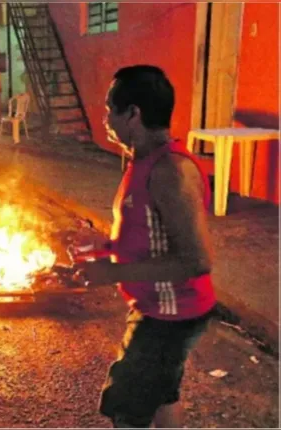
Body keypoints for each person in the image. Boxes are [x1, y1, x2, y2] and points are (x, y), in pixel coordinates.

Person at [71, 65, 217, 428]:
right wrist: (105, 245)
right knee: (162, 395)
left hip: (171, 315)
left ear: (133, 113)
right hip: (157, 308)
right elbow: (149, 234)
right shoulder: (141, 161)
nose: (104, 118)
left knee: (127, 406)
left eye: (110, 110)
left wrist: (113, 272)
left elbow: (196, 261)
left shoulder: (171, 171)